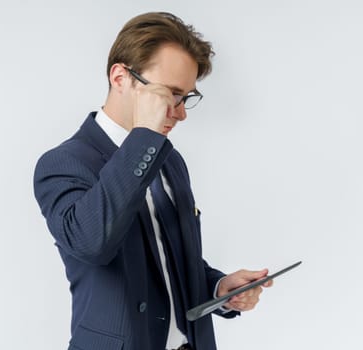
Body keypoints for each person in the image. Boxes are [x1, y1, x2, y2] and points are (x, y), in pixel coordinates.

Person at [33, 12, 272, 350]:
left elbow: (167, 260)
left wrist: (220, 288)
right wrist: (143, 136)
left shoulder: (170, 160)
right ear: (120, 77)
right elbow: (93, 243)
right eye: (170, 94)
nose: (181, 111)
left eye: (187, 96)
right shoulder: (63, 163)